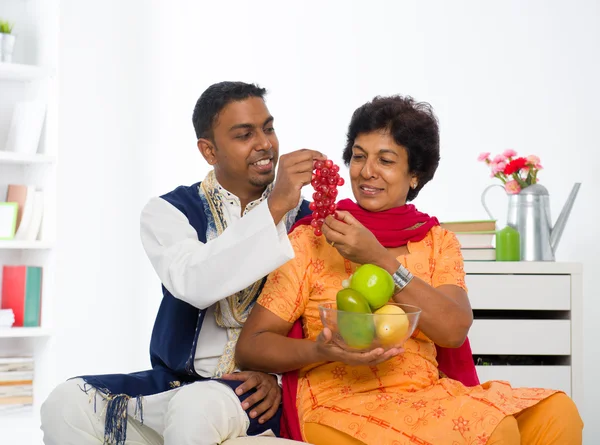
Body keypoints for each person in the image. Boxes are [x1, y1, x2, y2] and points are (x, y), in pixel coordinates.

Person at [236, 95, 584, 444]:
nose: (367, 171)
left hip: (427, 396)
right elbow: (251, 346)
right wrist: (320, 350)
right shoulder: (314, 237)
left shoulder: (437, 242)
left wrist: (380, 260)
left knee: (556, 411)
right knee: (493, 429)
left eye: (385, 160)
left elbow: (452, 329)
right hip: (341, 403)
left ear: (414, 175)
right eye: (359, 156)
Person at [40, 81, 324, 445]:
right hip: (177, 380)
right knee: (66, 403)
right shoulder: (169, 211)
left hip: (254, 393)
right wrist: (275, 207)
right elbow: (194, 283)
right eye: (244, 134)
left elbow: (322, 320)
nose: (265, 143)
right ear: (209, 151)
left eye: (268, 128)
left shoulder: (309, 220)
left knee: (196, 407)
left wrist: (280, 380)